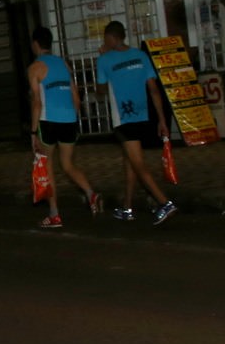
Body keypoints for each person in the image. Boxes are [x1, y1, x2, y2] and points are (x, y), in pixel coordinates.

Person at [95, 20, 179, 225]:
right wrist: (161, 120)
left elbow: (101, 90)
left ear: (111, 38)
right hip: (142, 116)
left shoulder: (105, 60)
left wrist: (103, 59)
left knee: (138, 164)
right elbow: (154, 90)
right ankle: (127, 207)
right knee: (130, 161)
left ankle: (164, 203)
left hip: (123, 118)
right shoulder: (141, 56)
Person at [28, 25, 100, 230]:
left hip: (48, 121)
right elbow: (76, 97)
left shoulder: (35, 68)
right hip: (68, 120)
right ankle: (90, 193)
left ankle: (54, 215)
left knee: (48, 166)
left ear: (35, 44)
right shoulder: (64, 64)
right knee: (68, 165)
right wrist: (74, 118)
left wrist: (33, 132)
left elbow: (36, 102)